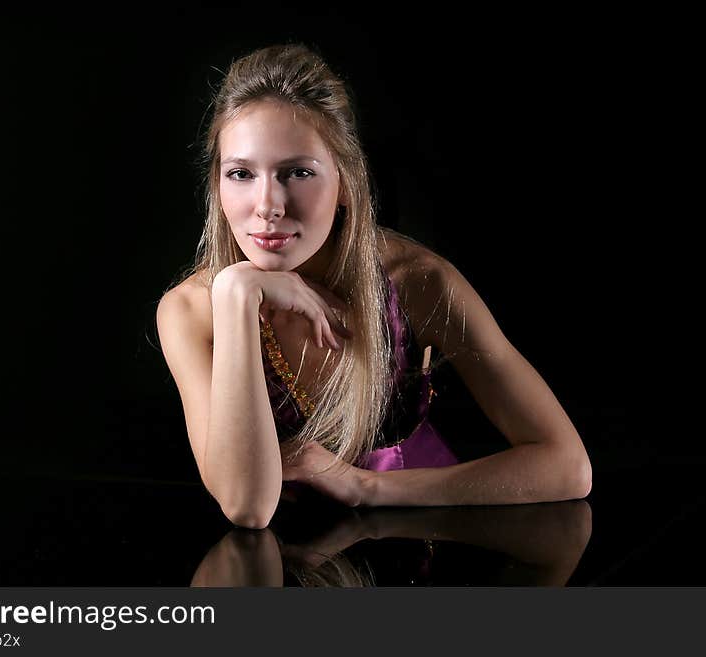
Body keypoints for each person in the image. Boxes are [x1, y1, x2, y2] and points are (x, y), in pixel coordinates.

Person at [157, 43, 592, 529]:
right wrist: (237, 294)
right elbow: (248, 506)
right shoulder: (191, 309)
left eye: (297, 172)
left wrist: (368, 488)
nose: (267, 205)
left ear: (344, 183)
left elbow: (567, 467)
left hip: (420, 558)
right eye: (240, 174)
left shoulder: (419, 283)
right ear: (217, 186)